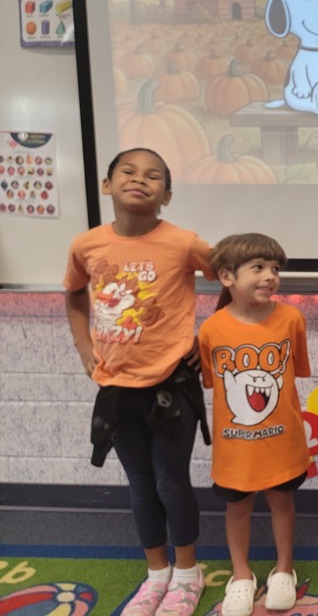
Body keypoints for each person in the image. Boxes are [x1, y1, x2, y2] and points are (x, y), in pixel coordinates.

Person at [64, 147, 214, 616]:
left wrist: (207, 337)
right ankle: (157, 575)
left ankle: (188, 574)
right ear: (107, 185)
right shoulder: (87, 244)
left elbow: (234, 275)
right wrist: (85, 349)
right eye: (128, 172)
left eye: (153, 176)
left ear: (166, 195)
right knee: (140, 484)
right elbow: (73, 294)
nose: (139, 180)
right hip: (115, 386)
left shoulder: (183, 241)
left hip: (173, 384)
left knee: (171, 481)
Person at [198, 233, 311, 616]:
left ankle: (284, 569)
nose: (270, 276)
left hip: (283, 442)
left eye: (275, 269)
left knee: (283, 502)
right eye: (259, 268)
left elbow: (294, 374)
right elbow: (215, 385)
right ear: (227, 276)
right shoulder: (211, 328)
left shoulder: (292, 318)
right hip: (235, 447)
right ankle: (241, 575)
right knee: (238, 508)